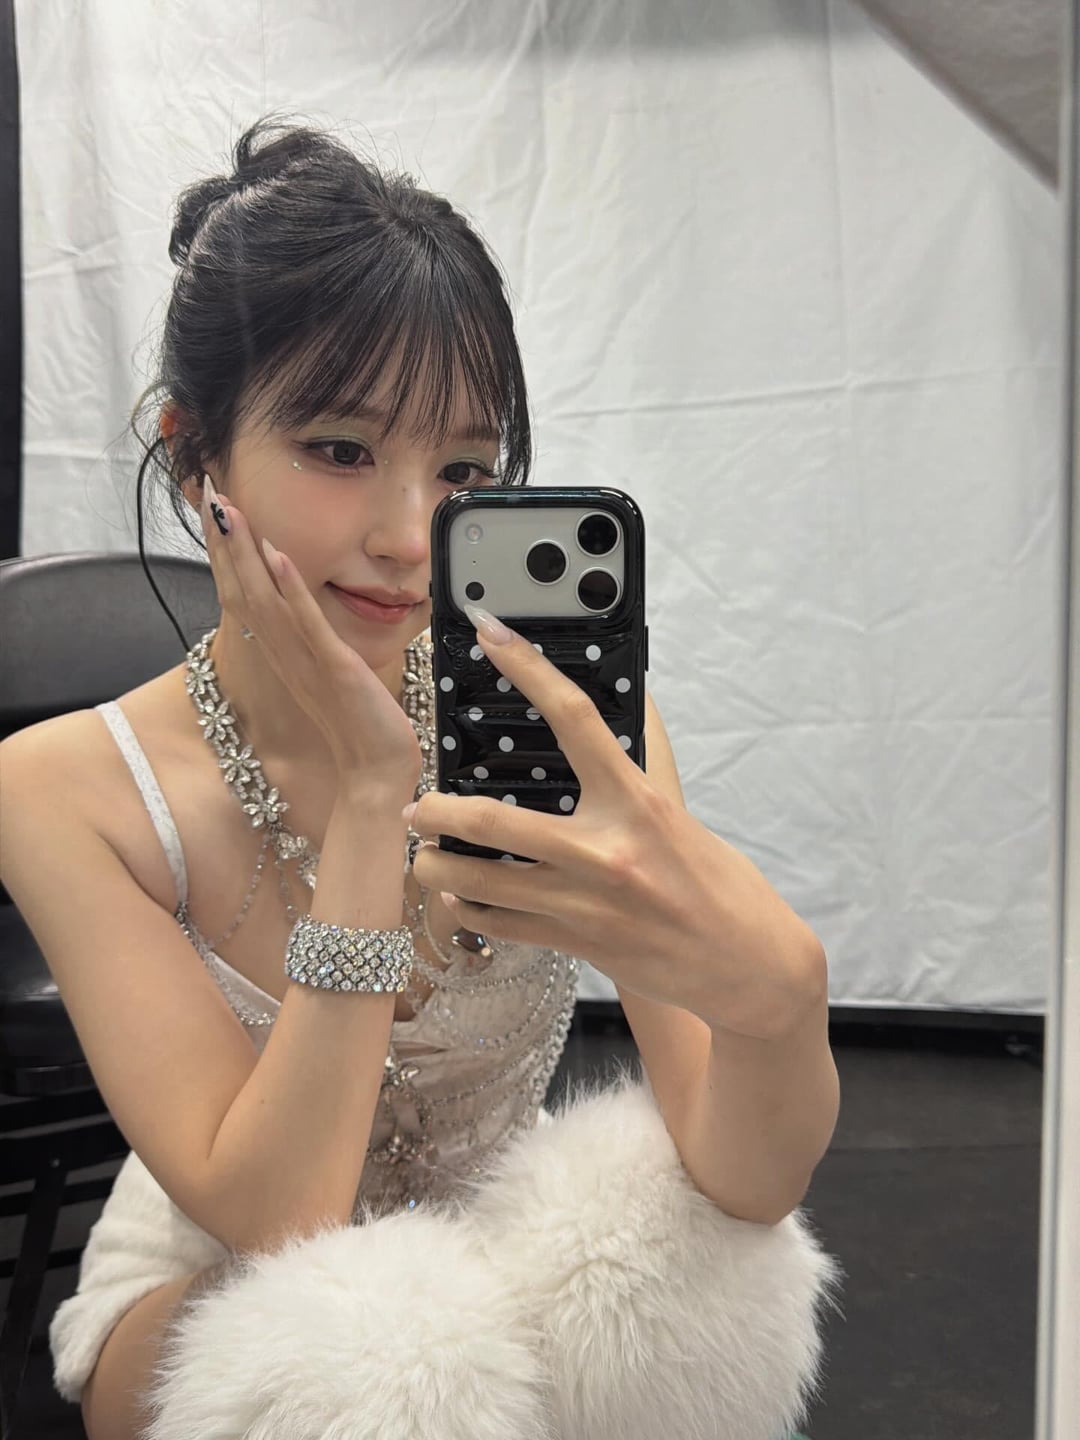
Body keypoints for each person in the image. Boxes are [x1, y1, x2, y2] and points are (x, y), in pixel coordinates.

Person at [0, 117, 840, 1440]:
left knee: (703, 1274)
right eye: (341, 450)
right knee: (351, 1369)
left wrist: (779, 1009)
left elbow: (744, 1185)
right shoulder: (60, 787)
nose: (410, 535)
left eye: (463, 471)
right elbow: (278, 1225)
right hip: (222, 1292)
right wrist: (367, 801)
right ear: (198, 454)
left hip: (505, 1260)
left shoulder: (577, 732)